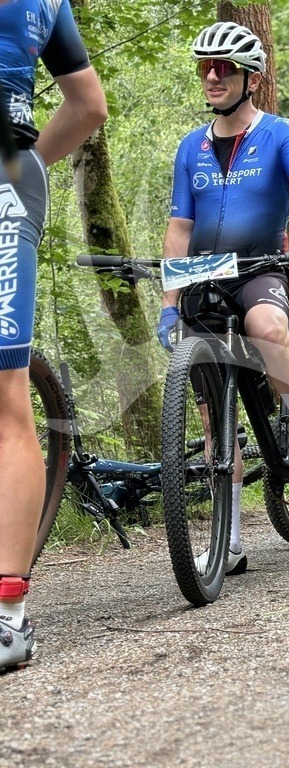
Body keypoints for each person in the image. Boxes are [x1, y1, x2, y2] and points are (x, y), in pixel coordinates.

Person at [160, 22, 289, 575]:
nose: (212, 75)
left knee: (268, 328)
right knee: (216, 425)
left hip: (260, 269)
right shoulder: (192, 145)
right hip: (203, 280)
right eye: (205, 67)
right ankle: (229, 539)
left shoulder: (280, 133)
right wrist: (169, 301)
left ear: (250, 78)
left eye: (225, 67)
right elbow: (179, 229)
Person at [1, 0, 108, 673]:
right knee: (6, 404)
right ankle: (5, 616)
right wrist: (26, 166)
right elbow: (87, 105)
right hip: (8, 174)